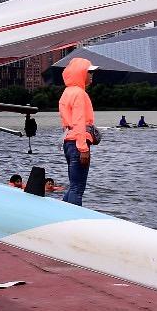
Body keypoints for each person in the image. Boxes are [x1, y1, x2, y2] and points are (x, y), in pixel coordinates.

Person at [58, 58, 97, 205]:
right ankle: (73, 220)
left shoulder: (66, 93)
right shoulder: (80, 94)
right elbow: (79, 122)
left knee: (74, 185)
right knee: (78, 188)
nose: (92, 75)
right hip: (78, 144)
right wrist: (83, 148)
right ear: (80, 73)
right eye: (89, 72)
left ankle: (60, 213)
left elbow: (66, 122)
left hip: (68, 143)